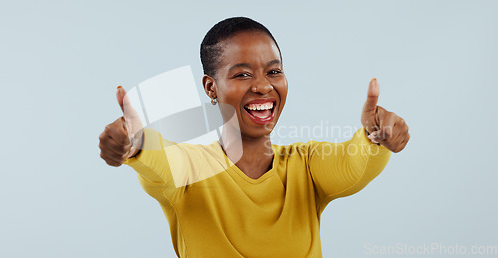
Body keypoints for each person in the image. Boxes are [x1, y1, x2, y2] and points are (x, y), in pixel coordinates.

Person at [98, 17, 410, 257]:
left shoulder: (307, 166)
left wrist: (375, 136)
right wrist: (132, 141)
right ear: (211, 87)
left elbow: (353, 163)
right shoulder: (191, 170)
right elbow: (157, 155)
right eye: (243, 74)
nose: (262, 86)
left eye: (274, 72)